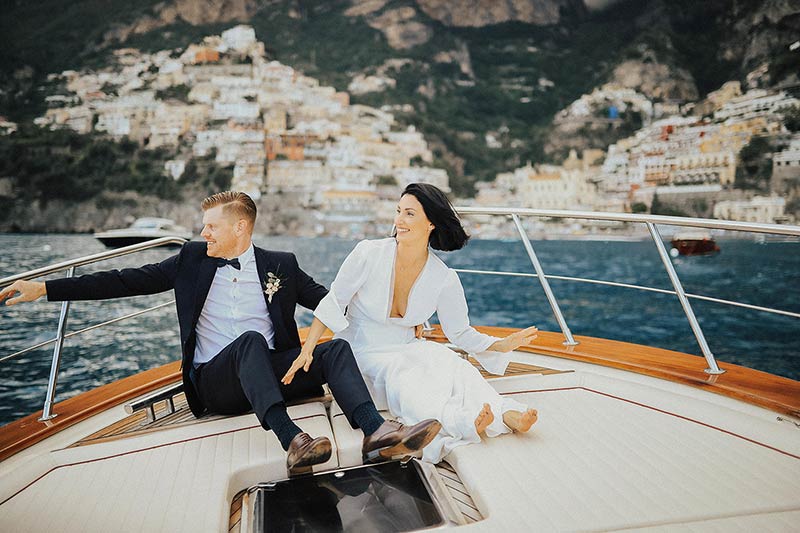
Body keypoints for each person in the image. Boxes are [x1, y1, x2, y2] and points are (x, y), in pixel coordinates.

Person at [0, 191, 440, 471]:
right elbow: (124, 280)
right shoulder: (190, 260)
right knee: (247, 341)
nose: (203, 233)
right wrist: (43, 288)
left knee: (335, 348)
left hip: (272, 375)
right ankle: (294, 441)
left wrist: (400, 316)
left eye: (211, 226)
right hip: (217, 385)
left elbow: (331, 299)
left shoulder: (280, 265)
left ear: (240, 228)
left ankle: (375, 433)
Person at [285, 183, 539, 463]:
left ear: (430, 222)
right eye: (398, 212)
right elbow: (333, 301)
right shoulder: (368, 253)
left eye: (409, 214)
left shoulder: (443, 278)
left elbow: (459, 332)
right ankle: (462, 422)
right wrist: (308, 349)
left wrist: (499, 344)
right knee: (404, 374)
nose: (398, 221)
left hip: (406, 344)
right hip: (359, 350)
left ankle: (504, 412)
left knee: (451, 362)